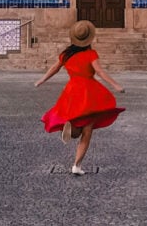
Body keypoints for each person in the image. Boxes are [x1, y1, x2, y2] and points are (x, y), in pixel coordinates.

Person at [35, 19, 125, 175]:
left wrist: (41, 80)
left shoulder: (66, 55)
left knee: (76, 120)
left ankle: (69, 128)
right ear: (89, 39)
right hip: (88, 91)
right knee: (87, 129)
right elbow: (100, 72)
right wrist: (116, 85)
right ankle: (76, 165)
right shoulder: (90, 54)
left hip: (71, 91)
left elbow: (54, 68)